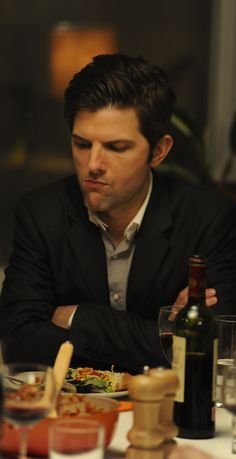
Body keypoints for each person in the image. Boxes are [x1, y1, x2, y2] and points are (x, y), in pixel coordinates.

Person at [0, 53, 235, 373]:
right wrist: (163, 333)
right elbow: (20, 344)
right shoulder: (40, 214)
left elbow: (213, 348)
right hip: (74, 411)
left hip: (168, 412)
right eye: (82, 144)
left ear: (159, 151)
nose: (93, 164)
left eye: (116, 148)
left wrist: (75, 317)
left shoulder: (209, 220)